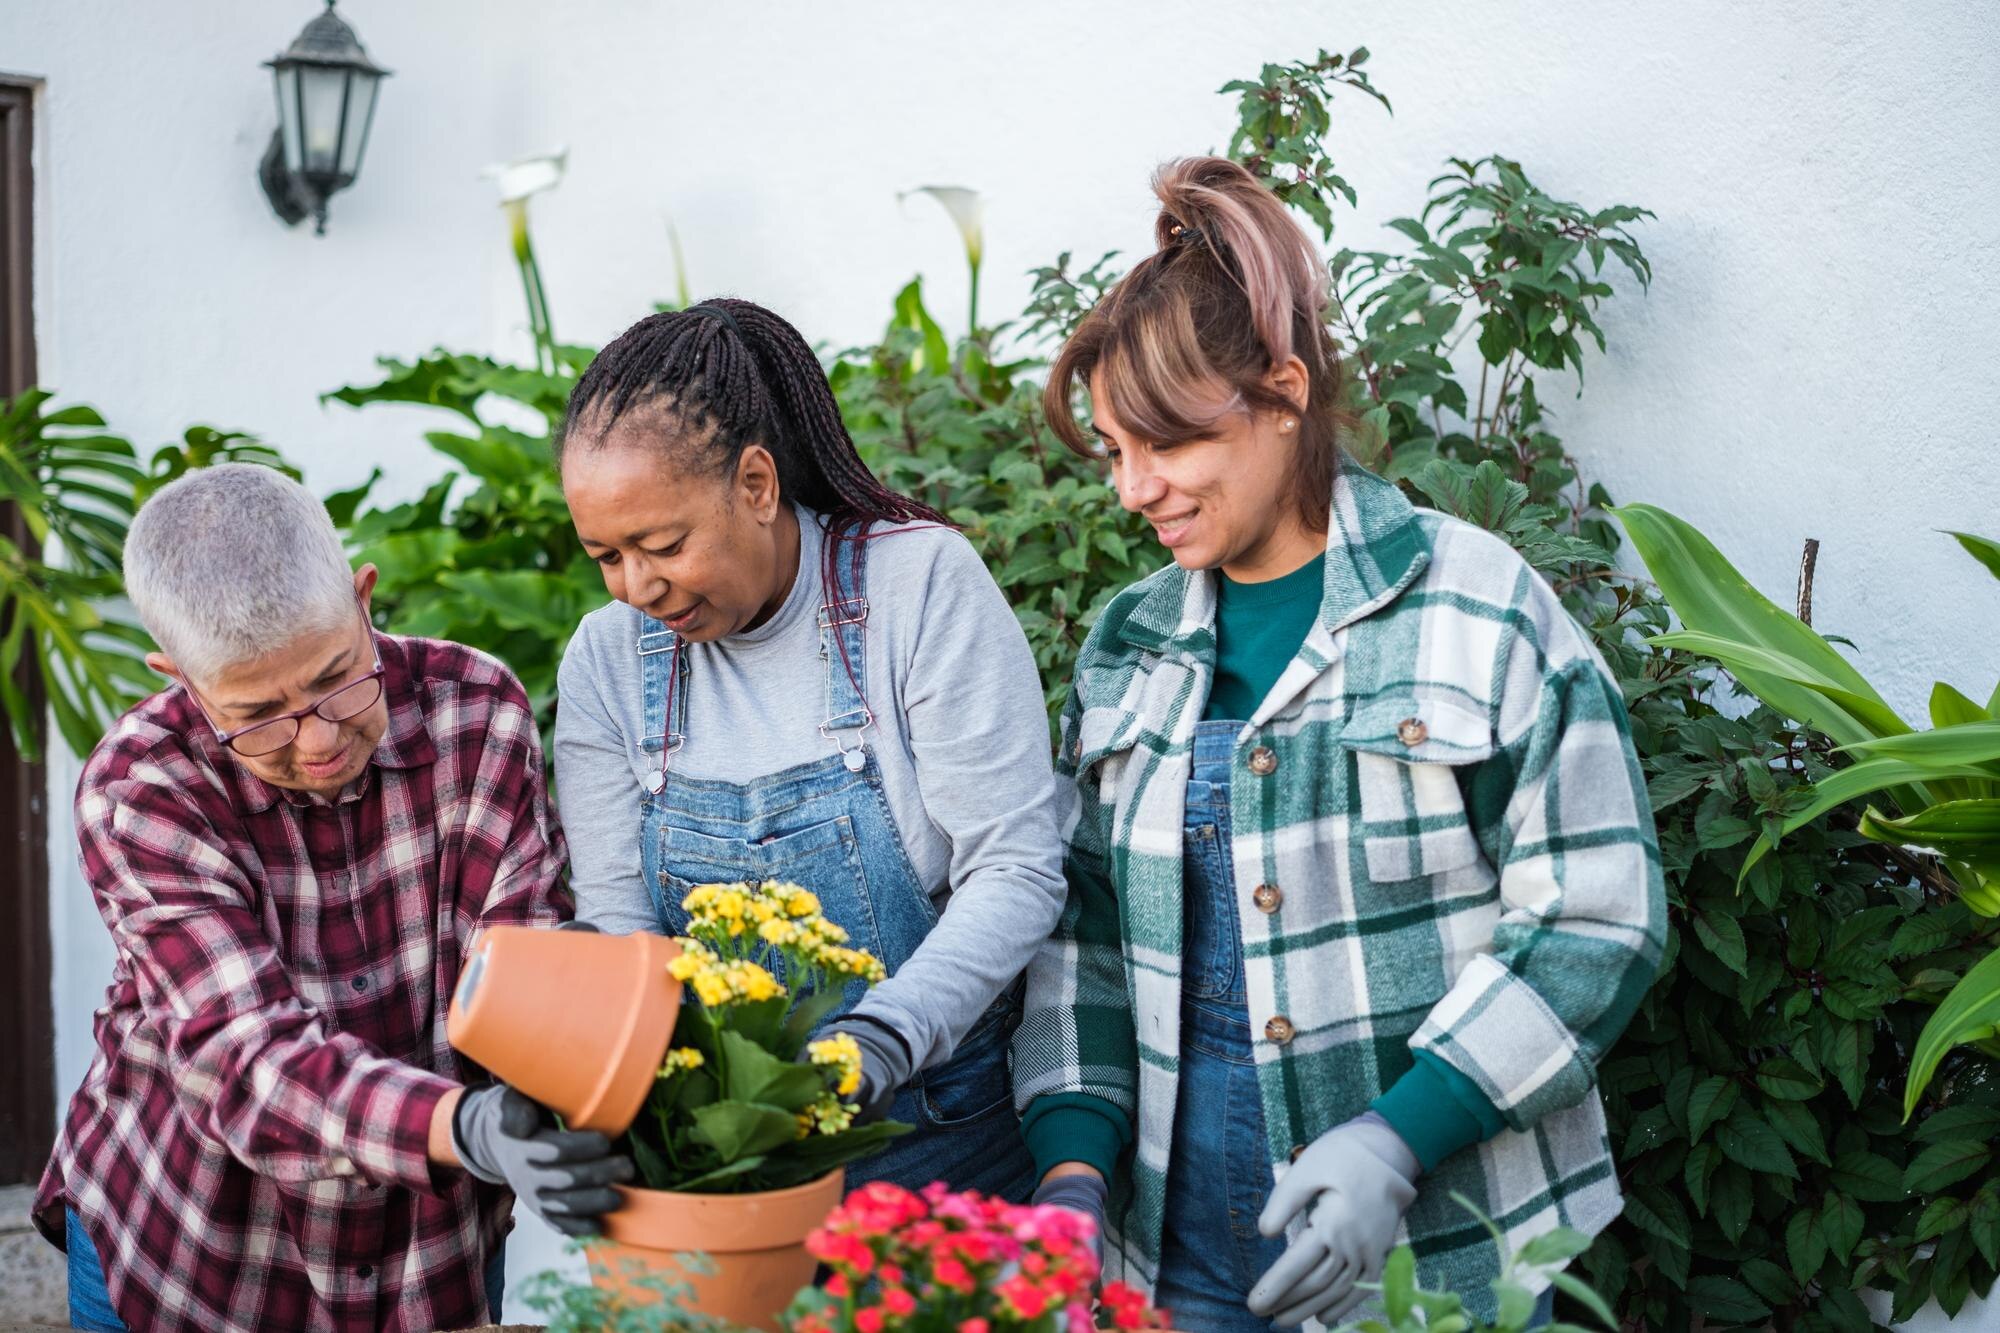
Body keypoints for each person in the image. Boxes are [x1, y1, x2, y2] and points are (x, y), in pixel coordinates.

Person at [1014, 157, 1667, 1329]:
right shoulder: (1131, 643)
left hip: (1458, 1256)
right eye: (1112, 452)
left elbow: (1594, 913)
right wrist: (1069, 1172)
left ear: (1281, 390)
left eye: (1161, 444)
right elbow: (1083, 941)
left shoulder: (1476, 606)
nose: (1132, 489)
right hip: (1175, 1262)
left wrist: (1395, 1137)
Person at [33, 465, 631, 1333]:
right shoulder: (142, 787)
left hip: (434, 1257)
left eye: (336, 679)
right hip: (201, 1251)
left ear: (363, 598)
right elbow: (250, 1059)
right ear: (180, 676)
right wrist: (465, 1124)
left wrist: (561, 1092)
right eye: (260, 713)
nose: (316, 740)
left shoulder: (478, 712)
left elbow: (528, 960)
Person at [552, 298, 1065, 1201]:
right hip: (733, 1180)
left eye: (663, 544)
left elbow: (1016, 867)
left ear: (756, 483)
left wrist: (881, 1038)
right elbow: (620, 929)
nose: (636, 585)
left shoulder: (917, 587)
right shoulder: (608, 660)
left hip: (945, 1149)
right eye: (605, 554)